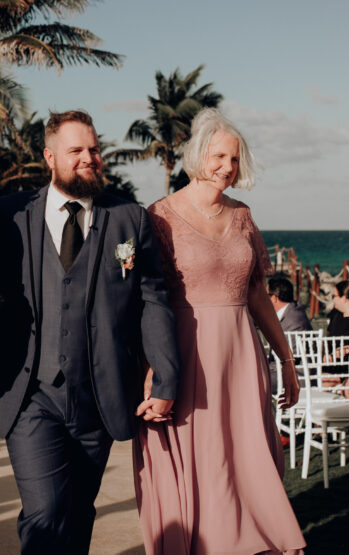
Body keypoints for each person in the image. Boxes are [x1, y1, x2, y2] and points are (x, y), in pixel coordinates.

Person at [0, 110, 179, 554]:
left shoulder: (129, 219)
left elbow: (154, 300)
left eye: (93, 149)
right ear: (50, 157)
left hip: (99, 396)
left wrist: (164, 376)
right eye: (76, 150)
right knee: (45, 511)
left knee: (79, 510)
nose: (89, 158)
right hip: (30, 393)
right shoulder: (7, 214)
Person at [132, 108, 305, 554]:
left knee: (245, 457)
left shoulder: (244, 216)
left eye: (235, 159)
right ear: (197, 154)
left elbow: (259, 294)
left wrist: (286, 361)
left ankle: (254, 541)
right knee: (200, 456)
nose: (228, 167)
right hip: (185, 355)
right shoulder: (160, 216)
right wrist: (152, 366)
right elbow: (145, 298)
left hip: (240, 356)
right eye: (220, 156)